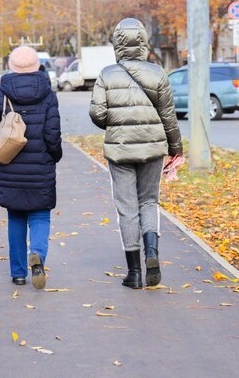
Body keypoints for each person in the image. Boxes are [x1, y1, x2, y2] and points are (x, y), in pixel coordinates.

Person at [89, 17, 183, 289]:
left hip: (119, 150)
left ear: (117, 43)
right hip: (153, 147)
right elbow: (168, 116)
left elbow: (97, 113)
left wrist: (113, 124)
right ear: (143, 41)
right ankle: (152, 253)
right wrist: (175, 148)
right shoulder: (157, 72)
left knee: (127, 208)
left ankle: (134, 273)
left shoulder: (107, 74)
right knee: (149, 201)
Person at [0, 46, 62, 289]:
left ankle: (18, 273)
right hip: (41, 167)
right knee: (40, 213)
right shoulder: (48, 94)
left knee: (15, 215)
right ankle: (37, 254)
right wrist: (54, 156)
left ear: (12, 66)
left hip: (10, 168)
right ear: (37, 66)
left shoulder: (1, 94)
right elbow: (52, 134)